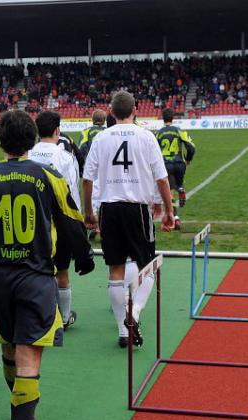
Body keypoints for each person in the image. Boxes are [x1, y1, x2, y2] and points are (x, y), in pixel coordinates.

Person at [0, 110, 94, 420]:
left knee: (10, 348)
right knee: (28, 357)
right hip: (36, 277)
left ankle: (24, 410)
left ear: (0, 141)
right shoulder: (48, 176)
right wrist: (84, 256)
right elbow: (71, 219)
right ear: (32, 140)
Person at [82, 90, 176, 348]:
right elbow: (162, 179)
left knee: (115, 270)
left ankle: (123, 330)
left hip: (109, 209)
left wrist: (89, 211)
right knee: (148, 266)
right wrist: (169, 211)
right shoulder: (146, 136)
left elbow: (87, 179)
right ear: (135, 109)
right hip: (137, 209)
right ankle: (133, 313)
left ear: (111, 112)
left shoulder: (101, 138)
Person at [28, 110, 82, 330]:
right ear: (57, 130)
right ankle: (65, 317)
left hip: (32, 220)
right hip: (58, 222)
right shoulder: (65, 157)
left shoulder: (28, 154)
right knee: (62, 270)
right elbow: (72, 194)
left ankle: (38, 314)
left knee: (35, 269)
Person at [156, 107, 195, 214]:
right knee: (178, 182)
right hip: (179, 164)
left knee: (170, 192)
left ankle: (175, 217)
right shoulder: (179, 131)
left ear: (163, 118)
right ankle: (181, 188)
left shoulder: (159, 133)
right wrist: (188, 159)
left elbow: (153, 149)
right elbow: (191, 147)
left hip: (166, 165)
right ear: (172, 118)